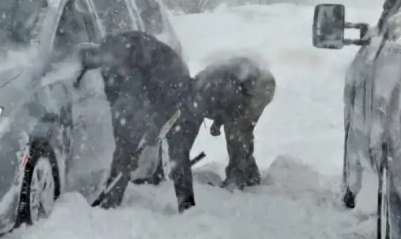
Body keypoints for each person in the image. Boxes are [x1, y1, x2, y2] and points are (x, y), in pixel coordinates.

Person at [88, 30, 202, 213]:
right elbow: (115, 95)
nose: (120, 71)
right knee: (123, 152)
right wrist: (124, 139)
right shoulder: (110, 58)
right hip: (147, 98)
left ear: (130, 59)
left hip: (176, 100)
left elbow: (160, 105)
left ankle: (186, 205)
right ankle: (110, 202)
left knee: (178, 155)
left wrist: (151, 134)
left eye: (122, 67)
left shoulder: (157, 64)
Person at [193, 54, 277, 189]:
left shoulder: (202, 89)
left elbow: (229, 99)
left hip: (258, 85)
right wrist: (218, 123)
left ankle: (238, 178)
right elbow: (221, 100)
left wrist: (219, 123)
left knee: (236, 131)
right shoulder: (202, 86)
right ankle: (250, 174)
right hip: (251, 85)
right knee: (241, 130)